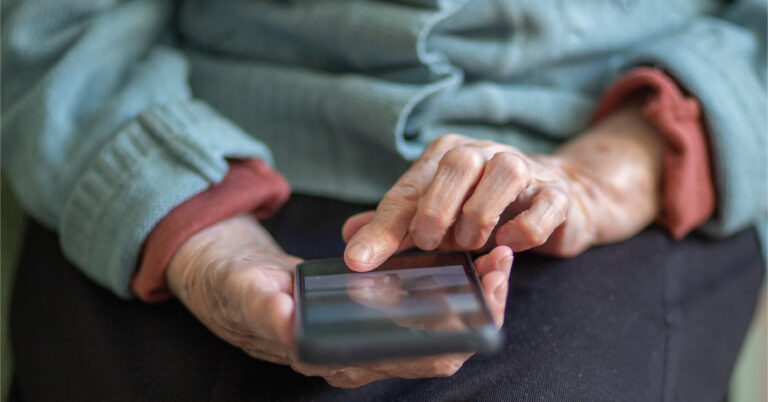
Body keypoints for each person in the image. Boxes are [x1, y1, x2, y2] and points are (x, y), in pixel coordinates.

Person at [3, 0, 765, 400]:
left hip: (610, 155)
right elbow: (56, 26)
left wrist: (610, 171)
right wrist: (198, 232)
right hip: (166, 147)